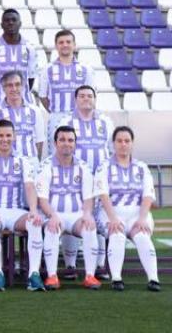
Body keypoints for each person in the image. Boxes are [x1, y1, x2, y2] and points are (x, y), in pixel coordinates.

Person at [33, 126, 101, 290]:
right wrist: (53, 215)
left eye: (70, 140)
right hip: (54, 214)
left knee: (89, 227)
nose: (66, 143)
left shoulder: (83, 167)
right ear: (55, 143)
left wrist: (86, 214)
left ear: (75, 144)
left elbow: (88, 197)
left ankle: (90, 276)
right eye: (62, 140)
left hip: (76, 215)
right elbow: (42, 199)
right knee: (51, 228)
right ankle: (52, 276)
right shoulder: (45, 166)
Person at [0, 120, 39, 291]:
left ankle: (34, 275)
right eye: (1, 135)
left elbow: (30, 187)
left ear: (14, 136)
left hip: (16, 211)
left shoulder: (23, 160)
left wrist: (33, 210)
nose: (5, 139)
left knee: (34, 222)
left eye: (8, 135)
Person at [95, 126, 161, 291]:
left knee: (143, 236)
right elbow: (103, 195)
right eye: (119, 141)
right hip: (110, 212)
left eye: (127, 141)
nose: (123, 144)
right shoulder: (104, 167)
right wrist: (113, 218)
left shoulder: (141, 167)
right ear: (113, 144)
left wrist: (142, 218)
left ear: (132, 144)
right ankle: (116, 278)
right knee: (116, 235)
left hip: (137, 213)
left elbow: (148, 195)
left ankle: (153, 278)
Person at [60, 85, 114, 277]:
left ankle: (99, 265)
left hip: (99, 181)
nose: (86, 99)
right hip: (74, 180)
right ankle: (70, 265)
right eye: (82, 96)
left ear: (95, 98)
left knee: (97, 220)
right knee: (72, 217)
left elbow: (110, 150)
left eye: (89, 95)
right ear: (76, 99)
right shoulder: (67, 120)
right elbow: (60, 149)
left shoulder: (106, 121)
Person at [37, 30, 95, 139]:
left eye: (68, 42)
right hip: (56, 118)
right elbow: (42, 96)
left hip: (80, 118)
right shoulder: (47, 69)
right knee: (57, 153)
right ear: (56, 46)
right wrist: (55, 111)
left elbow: (91, 95)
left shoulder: (85, 69)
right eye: (61, 42)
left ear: (74, 45)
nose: (65, 45)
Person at [0, 9, 40, 108]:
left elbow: (30, 79)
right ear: (2, 24)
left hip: (24, 105)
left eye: (14, 20)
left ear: (20, 23)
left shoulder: (29, 48)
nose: (10, 23)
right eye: (7, 20)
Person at [0, 71, 47, 159]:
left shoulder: (35, 111)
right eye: (10, 85)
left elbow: (39, 142)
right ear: (3, 88)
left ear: (22, 86)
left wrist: (35, 162)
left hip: (30, 164)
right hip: (6, 164)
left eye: (17, 84)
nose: (14, 89)